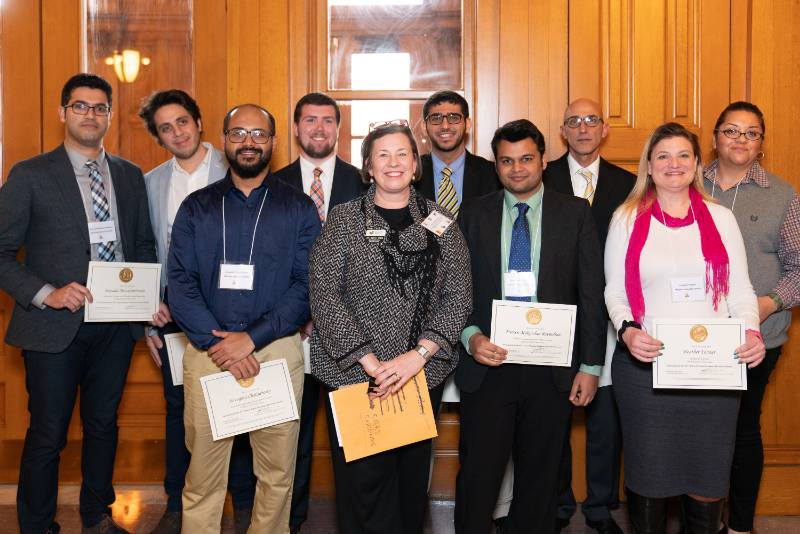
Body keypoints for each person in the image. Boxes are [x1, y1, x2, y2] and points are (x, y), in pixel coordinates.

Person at [0, 73, 157, 534]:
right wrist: (47, 293)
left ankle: (96, 515)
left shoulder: (129, 175)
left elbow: (142, 245)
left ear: (110, 115)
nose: (90, 114)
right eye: (80, 106)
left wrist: (147, 300)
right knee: (48, 434)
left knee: (103, 426)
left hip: (115, 325)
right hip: (53, 327)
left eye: (99, 107)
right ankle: (36, 525)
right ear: (62, 112)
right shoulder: (30, 175)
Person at [309, 121, 472, 534]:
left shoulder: (441, 222)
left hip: (420, 375)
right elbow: (325, 294)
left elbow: (458, 296)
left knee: (409, 486)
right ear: (368, 166)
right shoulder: (344, 220)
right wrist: (370, 362)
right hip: (353, 376)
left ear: (416, 165)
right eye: (383, 155)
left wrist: (416, 357)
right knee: (362, 487)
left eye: (402, 154)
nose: (393, 163)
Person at [604, 122, 765, 534]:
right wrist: (628, 331)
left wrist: (751, 331)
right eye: (663, 156)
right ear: (649, 166)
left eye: (682, 155)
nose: (673, 164)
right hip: (646, 370)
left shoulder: (721, 218)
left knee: (708, 476)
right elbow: (615, 292)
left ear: (696, 164)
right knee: (649, 477)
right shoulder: (626, 218)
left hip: (713, 371)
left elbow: (740, 290)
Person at [168, 104, 320, 533]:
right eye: (238, 133)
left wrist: (251, 339)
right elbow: (179, 282)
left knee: (277, 476)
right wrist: (221, 344)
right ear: (223, 141)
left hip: (275, 350)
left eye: (258, 134)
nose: (248, 142)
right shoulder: (196, 207)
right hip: (208, 352)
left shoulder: (298, 207)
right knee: (203, 476)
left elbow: (307, 283)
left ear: (273, 142)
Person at [455, 119, 606, 533]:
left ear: (543, 161)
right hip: (488, 364)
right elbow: (453, 288)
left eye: (525, 159)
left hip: (551, 368)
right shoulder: (473, 214)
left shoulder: (575, 214)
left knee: (540, 479)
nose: (517, 168)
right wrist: (470, 337)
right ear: (496, 165)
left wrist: (591, 366)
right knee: (478, 476)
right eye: (507, 161)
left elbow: (591, 294)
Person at [138, 89, 256, 534]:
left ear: (199, 122)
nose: (177, 133)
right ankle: (177, 505)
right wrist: (147, 314)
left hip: (238, 310)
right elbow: (147, 248)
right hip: (177, 314)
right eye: (166, 128)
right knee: (179, 408)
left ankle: (243, 503)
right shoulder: (151, 182)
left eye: (182, 121)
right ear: (159, 137)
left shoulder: (237, 164)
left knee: (241, 408)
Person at [703, 102, 799, 534]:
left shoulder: (783, 195)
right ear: (715, 138)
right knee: (699, 431)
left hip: (756, 337)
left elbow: (799, 268)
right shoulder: (685, 181)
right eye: (731, 130)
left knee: (742, 429)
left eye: (751, 132)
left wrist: (769, 303)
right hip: (694, 336)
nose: (740, 139)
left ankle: (740, 526)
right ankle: (701, 521)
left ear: (762, 144)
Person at [273, 92, 365, 534]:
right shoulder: (274, 184)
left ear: (338, 129)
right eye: (310, 120)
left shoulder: (363, 181)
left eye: (328, 120)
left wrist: (335, 317)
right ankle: (290, 521)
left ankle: (355, 522)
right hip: (290, 333)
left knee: (353, 436)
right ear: (296, 128)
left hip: (351, 334)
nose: (319, 128)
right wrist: (298, 315)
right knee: (292, 435)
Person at [545, 98, 635, 534]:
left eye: (591, 120)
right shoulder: (542, 176)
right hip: (553, 313)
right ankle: (559, 502)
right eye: (574, 121)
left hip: (611, 312)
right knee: (554, 413)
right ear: (563, 131)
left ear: (604, 129)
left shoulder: (630, 184)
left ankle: (600, 506)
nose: (583, 128)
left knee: (606, 417)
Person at [416, 90, 500, 215]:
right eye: (436, 118)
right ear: (424, 127)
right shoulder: (411, 173)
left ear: (467, 124)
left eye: (454, 118)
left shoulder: (493, 174)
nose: (445, 126)